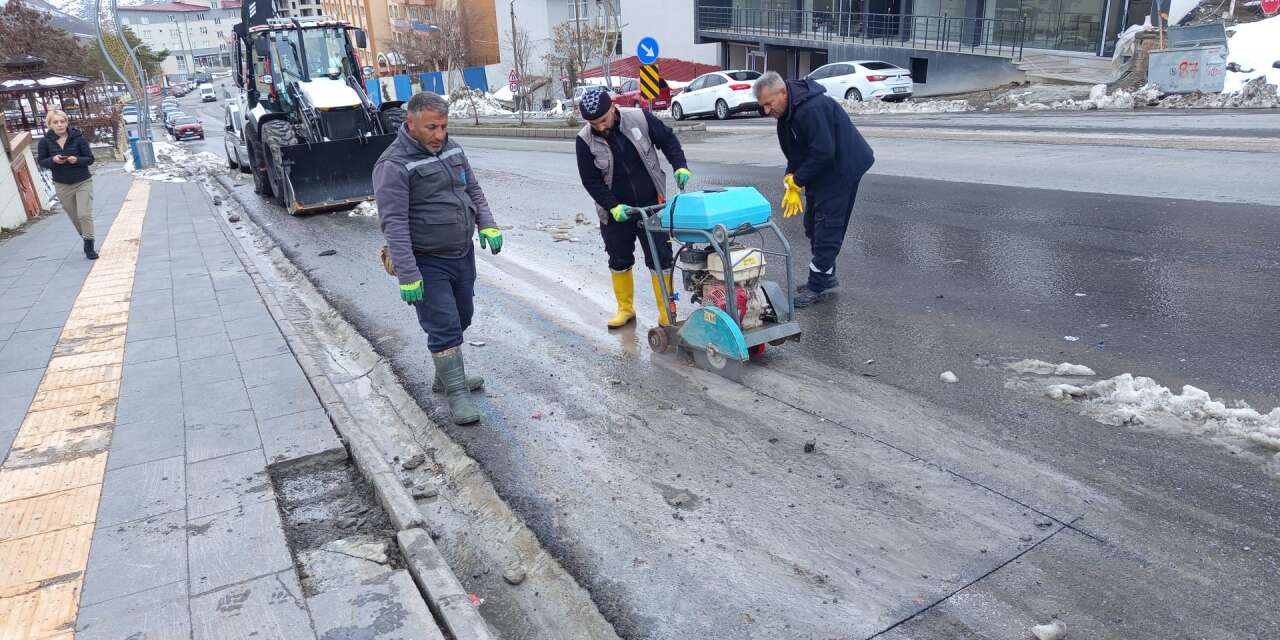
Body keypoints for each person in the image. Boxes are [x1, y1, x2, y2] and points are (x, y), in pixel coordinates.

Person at [373, 91, 504, 425]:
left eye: (443, 126)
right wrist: (407, 273)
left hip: (461, 252)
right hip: (426, 259)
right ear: (411, 123)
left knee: (464, 315)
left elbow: (472, 190)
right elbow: (394, 223)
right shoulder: (393, 165)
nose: (439, 135)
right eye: (432, 127)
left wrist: (487, 224)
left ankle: (446, 375)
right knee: (444, 325)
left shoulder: (453, 149)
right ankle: (456, 393)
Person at [754, 70, 875, 307]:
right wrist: (791, 177)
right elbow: (796, 152)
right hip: (822, 169)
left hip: (842, 168)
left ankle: (818, 284)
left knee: (827, 227)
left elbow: (824, 152)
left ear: (782, 92)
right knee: (811, 225)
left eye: (769, 104)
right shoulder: (786, 115)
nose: (767, 111)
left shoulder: (812, 109)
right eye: (762, 106)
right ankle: (826, 274)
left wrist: (798, 180)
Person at [575, 87, 692, 329]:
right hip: (617, 212)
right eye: (593, 123)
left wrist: (679, 165)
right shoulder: (584, 140)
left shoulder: (639, 119)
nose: (599, 127)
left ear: (613, 108)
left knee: (660, 260)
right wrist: (613, 206)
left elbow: (667, 139)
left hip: (652, 206)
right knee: (619, 259)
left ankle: (666, 314)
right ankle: (625, 309)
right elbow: (591, 181)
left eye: (603, 120)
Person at [37, 109, 97, 260]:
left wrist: (76, 160)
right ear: (49, 124)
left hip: (83, 181)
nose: (59, 125)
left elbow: (90, 159)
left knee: (84, 214)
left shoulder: (78, 138)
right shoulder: (44, 142)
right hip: (62, 184)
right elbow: (42, 162)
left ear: (67, 122)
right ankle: (85, 236)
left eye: (62, 121)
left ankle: (89, 246)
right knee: (75, 217)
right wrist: (53, 160)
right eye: (55, 122)